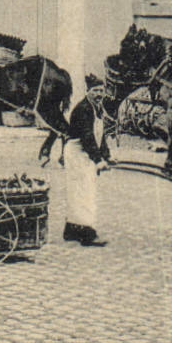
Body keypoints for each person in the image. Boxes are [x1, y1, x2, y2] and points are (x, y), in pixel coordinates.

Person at [61, 75, 111, 247]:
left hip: (85, 152)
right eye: (95, 91)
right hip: (77, 153)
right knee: (84, 192)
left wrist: (107, 156)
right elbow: (87, 137)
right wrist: (98, 160)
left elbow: (100, 135)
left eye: (101, 91)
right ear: (88, 92)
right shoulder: (83, 109)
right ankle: (88, 234)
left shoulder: (97, 108)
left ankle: (71, 230)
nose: (99, 94)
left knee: (79, 191)